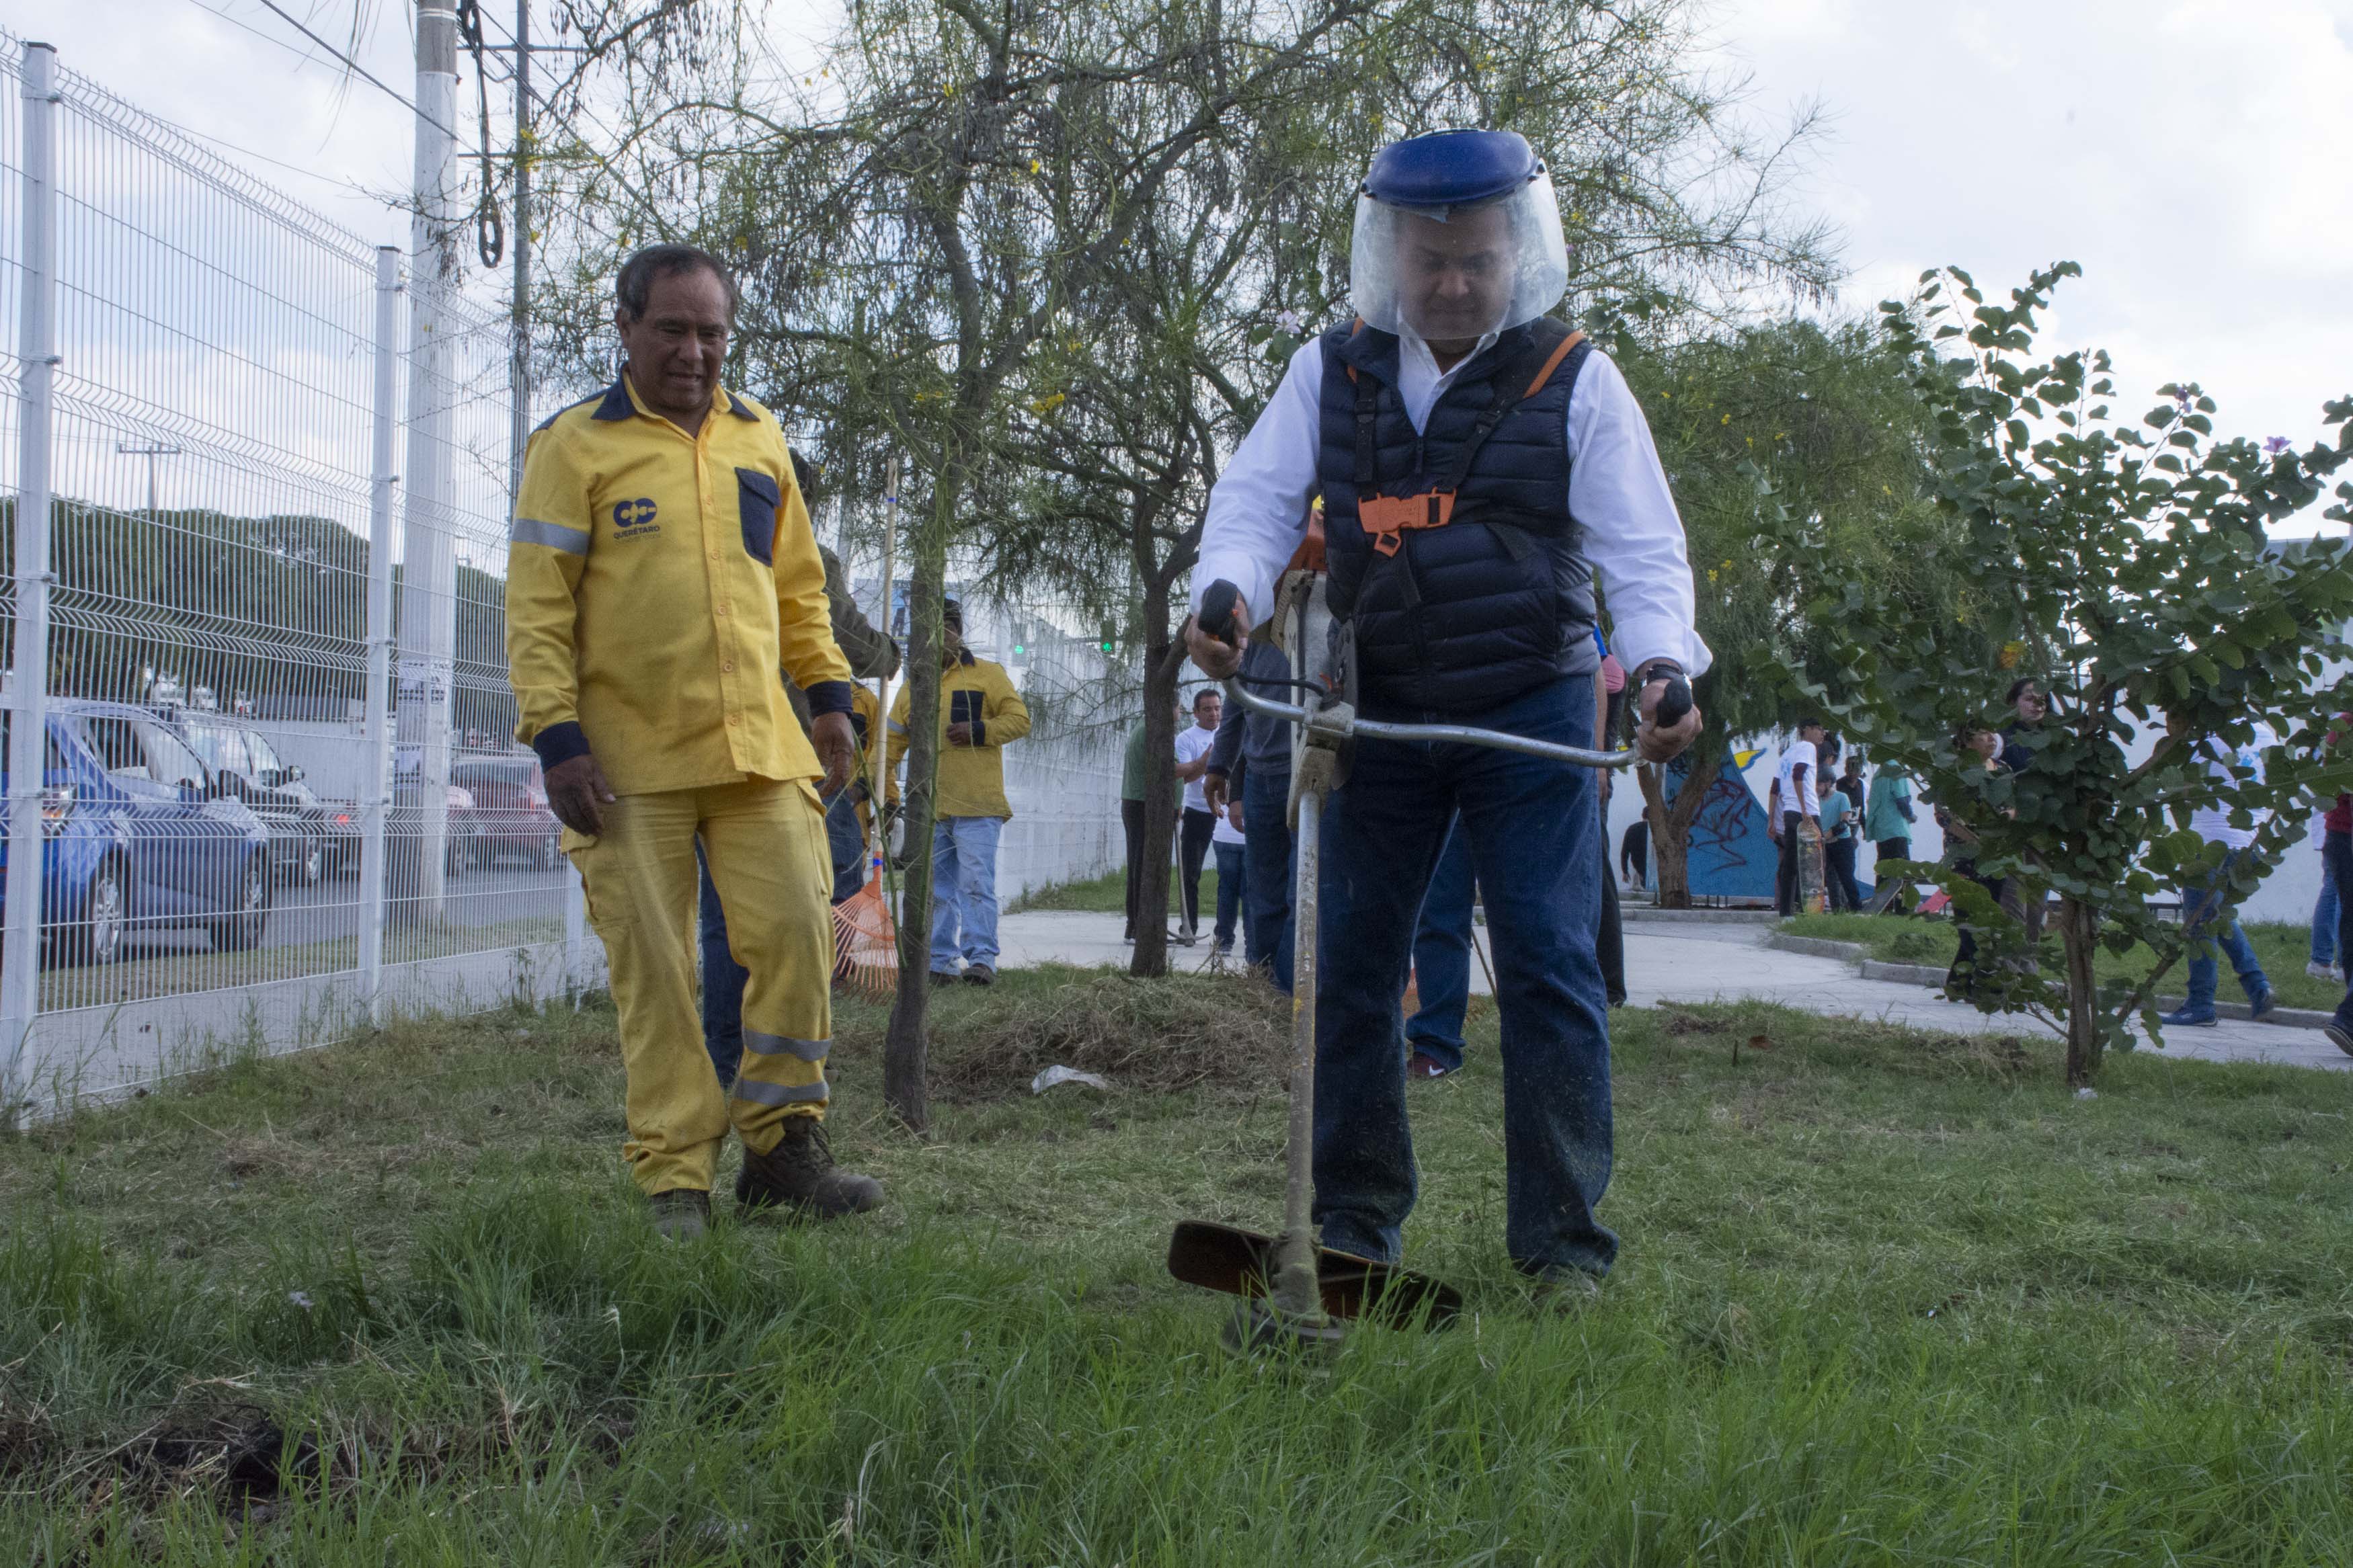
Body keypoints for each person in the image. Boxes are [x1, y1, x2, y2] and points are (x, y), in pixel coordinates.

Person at [1184, 128, 1708, 1298]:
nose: (1454, 282)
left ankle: (1564, 1250)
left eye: (1476, 258)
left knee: (1547, 963)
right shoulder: (1334, 369)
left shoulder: (1576, 376)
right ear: (1391, 255)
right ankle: (1357, 1227)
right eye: (1431, 259)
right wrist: (1223, 591)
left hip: (1531, 707)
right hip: (1383, 714)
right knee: (1354, 969)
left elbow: (1643, 550)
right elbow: (1257, 503)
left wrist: (1665, 668)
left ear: (1518, 253)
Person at [506, 243, 879, 1241]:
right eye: (672, 329)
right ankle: (676, 1178)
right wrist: (556, 738)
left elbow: (799, 590)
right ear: (625, 329)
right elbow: (537, 610)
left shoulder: (762, 440)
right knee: (659, 970)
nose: (694, 351)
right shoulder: (573, 448)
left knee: (802, 932)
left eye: (711, 332)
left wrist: (831, 696)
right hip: (625, 765)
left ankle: (783, 1148)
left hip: (761, 747)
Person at [697, 454, 899, 1079]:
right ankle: (793, 1048)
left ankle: (726, 1054)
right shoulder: (808, 553)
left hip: (715, 743)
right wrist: (891, 652)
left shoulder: (708, 538)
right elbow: (843, 640)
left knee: (722, 911)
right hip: (794, 754)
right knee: (816, 890)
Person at [886, 598, 1031, 986]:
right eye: (927, 634)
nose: (936, 640)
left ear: (957, 632)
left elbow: (1019, 720)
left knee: (976, 885)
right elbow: (891, 743)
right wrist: (884, 792)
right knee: (937, 889)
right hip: (931, 808)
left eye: (944, 631)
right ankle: (940, 963)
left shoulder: (988, 675)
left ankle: (982, 960)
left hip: (978, 804)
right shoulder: (913, 685)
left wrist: (978, 731)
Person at [2159, 725, 2278, 1028]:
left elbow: (2181, 789)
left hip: (2207, 843)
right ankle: (2256, 986)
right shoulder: (2265, 731)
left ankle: (2201, 1004)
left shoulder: (2203, 734)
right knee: (2215, 916)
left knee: (2201, 925)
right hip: (2249, 842)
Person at [1203, 635, 1298, 989]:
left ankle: (1291, 996)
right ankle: (1263, 988)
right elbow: (1235, 710)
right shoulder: (1248, 647)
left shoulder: (1305, 629)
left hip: (1305, 771)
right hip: (1261, 777)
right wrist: (1219, 767)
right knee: (1262, 896)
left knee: (1300, 894)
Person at [1172, 689, 1222, 945]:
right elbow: (1187, 776)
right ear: (1196, 712)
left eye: (1217, 708)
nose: (1214, 714)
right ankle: (1188, 927)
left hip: (1228, 814)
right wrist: (1206, 760)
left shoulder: (1229, 733)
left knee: (1233, 872)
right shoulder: (1186, 738)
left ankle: (1226, 932)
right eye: (1207, 709)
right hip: (1198, 812)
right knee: (1192, 874)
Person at [1773, 720, 1825, 916]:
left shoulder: (1787, 753)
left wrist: (1772, 821)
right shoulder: (1808, 747)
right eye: (1819, 729)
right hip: (1807, 811)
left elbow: (1775, 788)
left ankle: (1787, 912)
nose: (1822, 734)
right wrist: (1805, 809)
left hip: (1789, 812)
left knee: (1791, 863)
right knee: (1815, 863)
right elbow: (1798, 774)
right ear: (1806, 730)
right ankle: (1810, 910)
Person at [1119, 714, 1150, 945]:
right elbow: (1170, 769)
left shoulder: (1144, 727)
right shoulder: (1151, 731)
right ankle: (1138, 926)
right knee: (1142, 867)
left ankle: (1136, 926)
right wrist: (1202, 763)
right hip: (1140, 804)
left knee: (1139, 865)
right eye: (1179, 708)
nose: (1180, 713)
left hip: (1136, 802)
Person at [1863, 759, 1915, 889]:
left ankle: (1883, 905)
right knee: (1902, 870)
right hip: (1895, 827)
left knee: (1884, 869)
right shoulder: (1896, 769)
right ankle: (1903, 907)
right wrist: (1911, 816)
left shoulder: (1880, 771)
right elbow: (1901, 799)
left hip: (1881, 828)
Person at [1820, 760, 1862, 913]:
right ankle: (1837, 910)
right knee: (1830, 879)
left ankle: (1856, 908)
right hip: (1826, 844)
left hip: (1842, 842)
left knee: (1846, 877)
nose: (1817, 788)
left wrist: (1828, 834)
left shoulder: (1841, 797)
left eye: (1819, 785)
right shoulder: (1817, 801)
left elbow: (1845, 823)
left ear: (1829, 783)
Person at [1211, 794, 1248, 958]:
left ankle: (1224, 941)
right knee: (1251, 893)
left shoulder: (1223, 770)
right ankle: (1253, 942)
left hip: (1224, 833)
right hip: (1250, 836)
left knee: (1227, 891)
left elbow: (1210, 791)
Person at [2309, 815, 2341, 983]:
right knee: (2340, 892)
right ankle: (2342, 964)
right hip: (2339, 828)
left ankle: (2322, 962)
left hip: (2332, 827)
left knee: (2333, 890)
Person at [1619, 816, 1649, 891]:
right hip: (1651, 869)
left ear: (1643, 815)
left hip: (1637, 865)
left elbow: (1624, 851)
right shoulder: (1656, 831)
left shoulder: (1632, 828)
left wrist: (1625, 871)